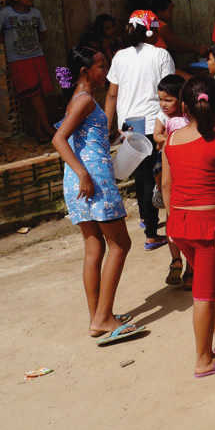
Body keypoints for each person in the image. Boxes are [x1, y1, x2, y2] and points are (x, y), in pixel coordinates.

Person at [52, 46, 142, 344]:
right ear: (85, 71)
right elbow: (59, 139)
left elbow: (86, 137)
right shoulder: (85, 101)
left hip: (79, 182)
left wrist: (116, 136)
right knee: (120, 244)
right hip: (92, 180)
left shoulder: (79, 101)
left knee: (95, 248)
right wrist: (84, 174)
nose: (105, 71)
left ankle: (98, 318)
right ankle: (104, 317)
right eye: (101, 65)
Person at [161, 76, 215, 377]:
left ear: (183, 107)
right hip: (208, 226)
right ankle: (203, 360)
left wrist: (173, 219)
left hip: (180, 225)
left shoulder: (171, 140)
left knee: (208, 283)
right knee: (204, 293)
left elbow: (167, 185)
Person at [105, 10, 176, 250]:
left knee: (142, 178)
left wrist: (109, 128)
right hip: (153, 123)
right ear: (151, 31)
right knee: (158, 177)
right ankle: (153, 232)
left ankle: (149, 223)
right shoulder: (161, 55)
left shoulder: (119, 57)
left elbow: (112, 94)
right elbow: (170, 91)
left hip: (128, 127)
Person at [0, 0, 55, 141]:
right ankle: (47, 127)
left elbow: (43, 33)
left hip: (37, 57)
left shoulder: (35, 13)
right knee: (33, 95)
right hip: (19, 61)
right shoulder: (6, 14)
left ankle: (40, 132)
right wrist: (11, 44)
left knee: (39, 94)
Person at [153, 73, 189, 287]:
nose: (163, 104)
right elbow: (157, 134)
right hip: (169, 172)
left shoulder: (188, 117)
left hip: (184, 172)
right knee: (171, 217)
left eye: (168, 100)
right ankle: (176, 260)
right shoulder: (165, 118)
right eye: (160, 99)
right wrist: (170, 140)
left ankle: (190, 265)